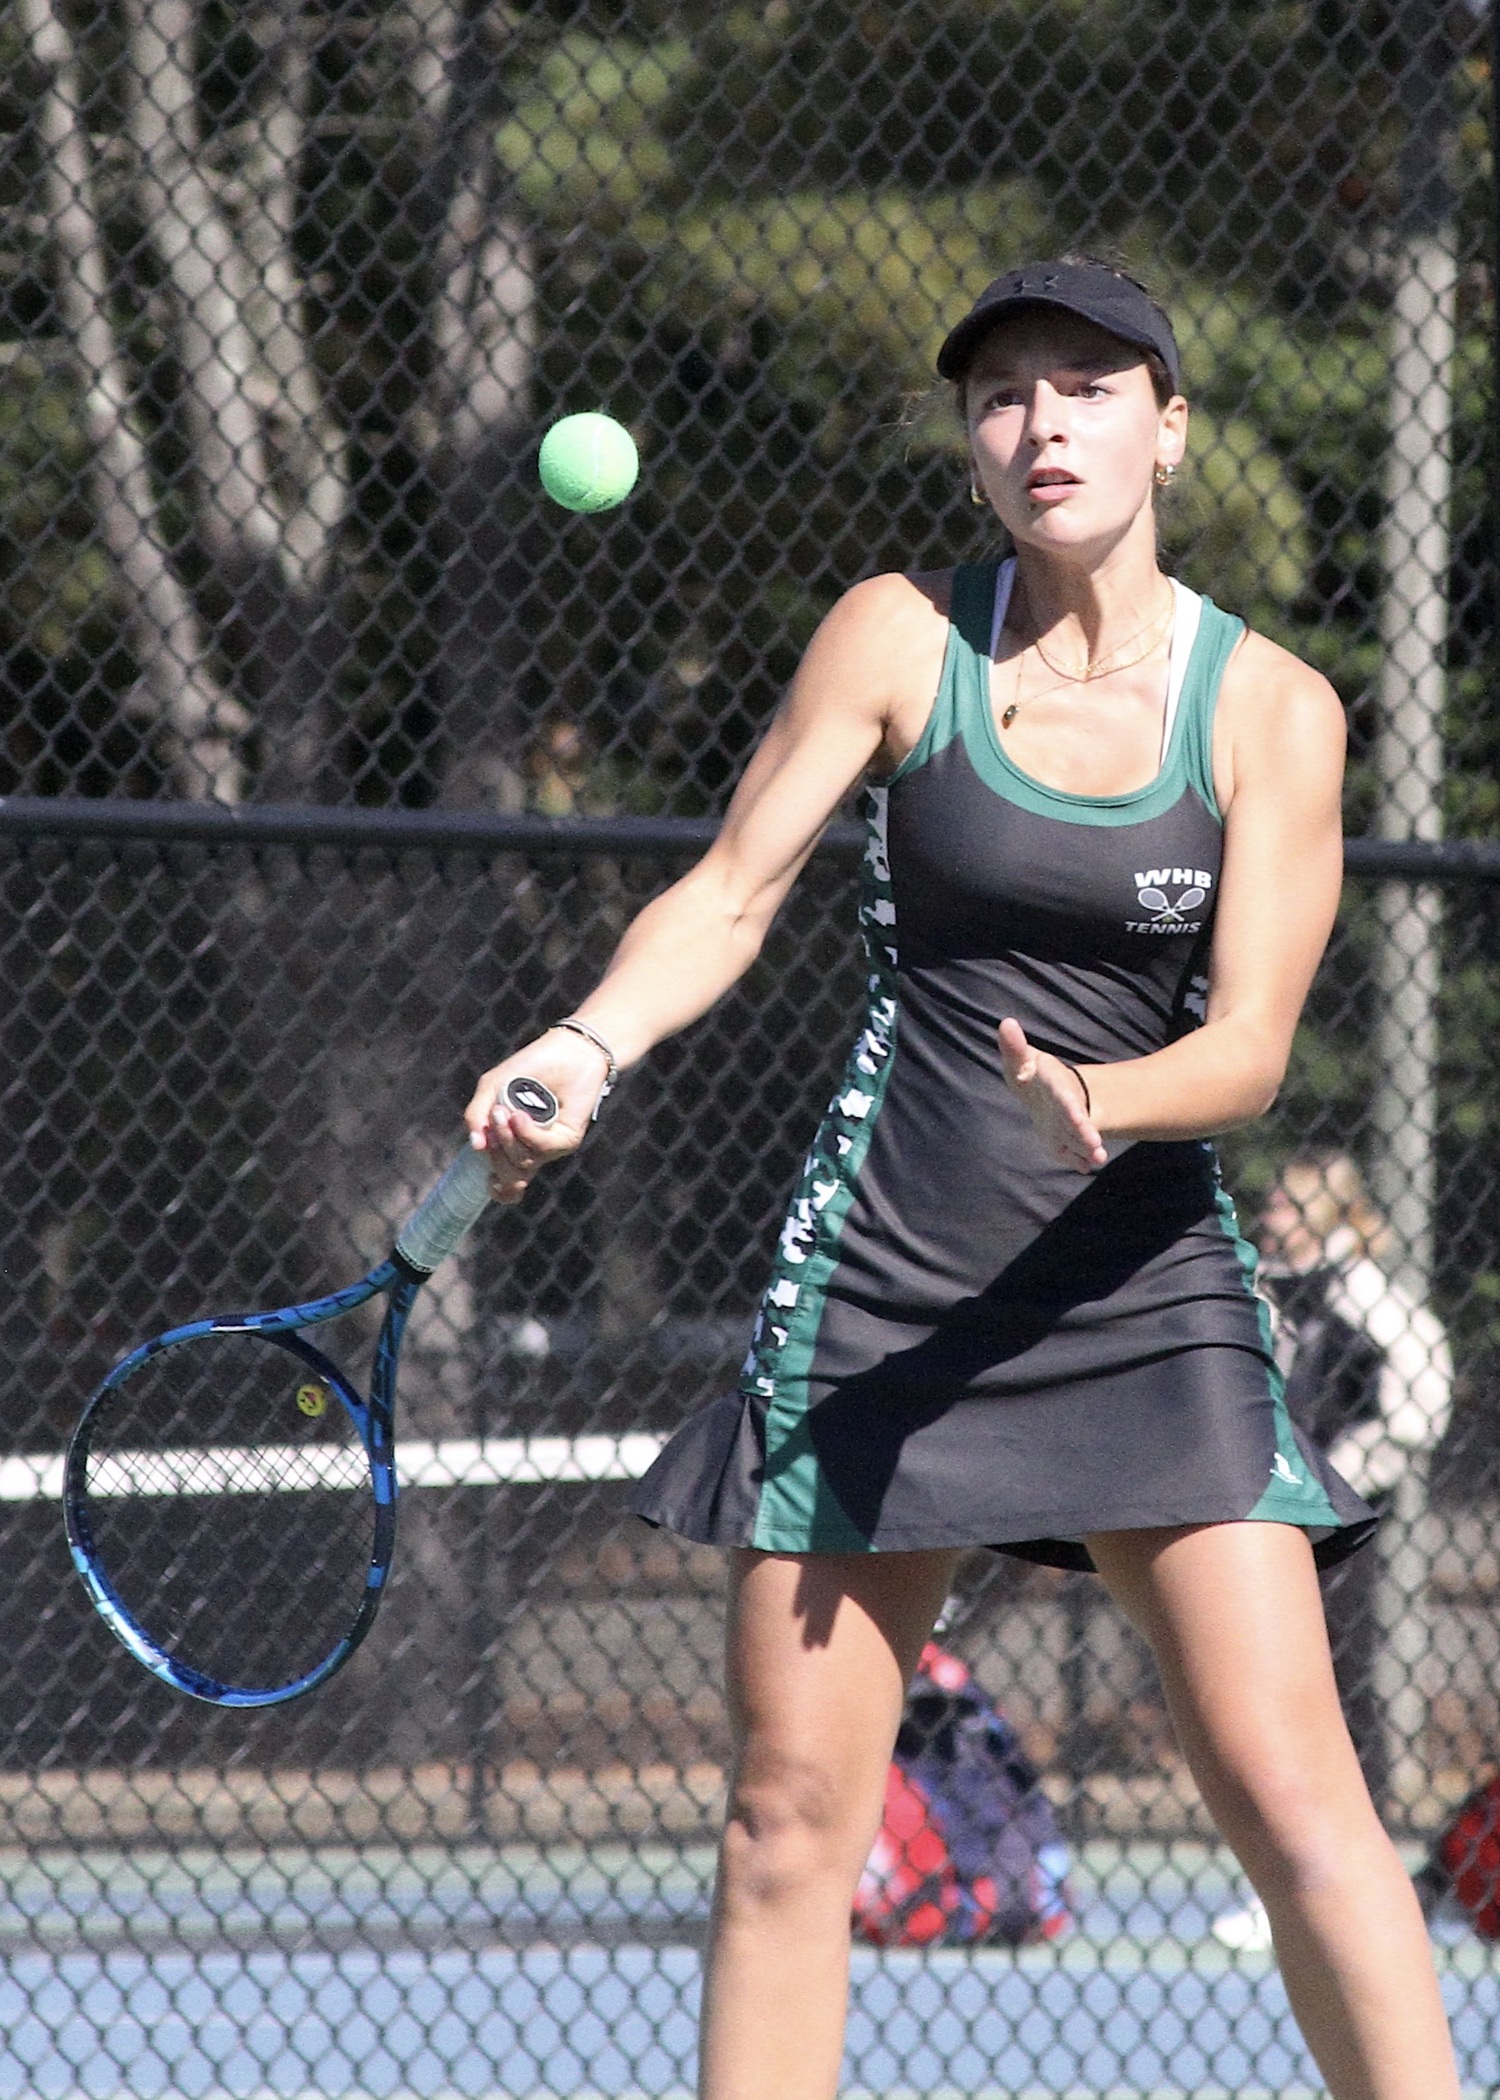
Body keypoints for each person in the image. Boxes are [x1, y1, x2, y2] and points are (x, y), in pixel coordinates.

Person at [464, 258, 1459, 2099]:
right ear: (974, 447)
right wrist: (585, 1046)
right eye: (1002, 396)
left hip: (1141, 1294)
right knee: (783, 1822)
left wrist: (1114, 1089)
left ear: (1167, 425)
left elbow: (1249, 1042)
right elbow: (732, 890)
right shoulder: (898, 637)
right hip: (885, 1292)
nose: (1042, 424)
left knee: (1297, 1801)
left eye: (1087, 387)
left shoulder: (1276, 713)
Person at [1212, 1152, 1453, 1952]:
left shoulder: (1370, 1300)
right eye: (1272, 1195)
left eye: (1291, 1196)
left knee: (1341, 1696)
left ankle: (1353, 1876)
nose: (1272, 1205)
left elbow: (1421, 1400)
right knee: (1244, 1696)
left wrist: (1336, 1483)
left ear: (1337, 1211)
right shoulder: (1258, 1289)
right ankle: (1275, 1877)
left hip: (1339, 1533)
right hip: (1257, 1521)